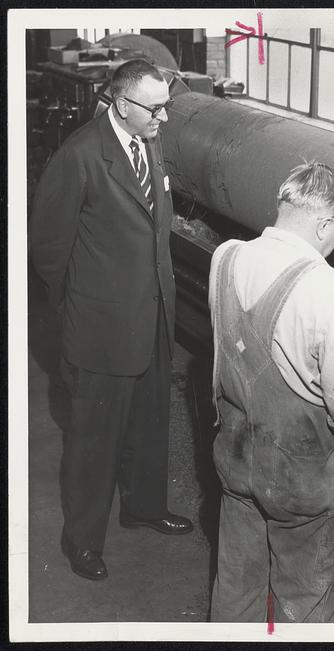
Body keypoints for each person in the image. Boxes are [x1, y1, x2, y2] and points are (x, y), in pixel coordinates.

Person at [208, 161, 334, 623]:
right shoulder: (324, 288)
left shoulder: (227, 257)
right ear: (324, 222)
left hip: (236, 460)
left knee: (235, 592)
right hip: (301, 481)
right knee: (304, 607)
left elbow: (282, 293)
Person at [30, 59, 192, 582]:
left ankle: (143, 507)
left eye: (165, 106)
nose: (163, 118)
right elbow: (49, 251)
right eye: (155, 107)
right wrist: (80, 314)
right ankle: (81, 541)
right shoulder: (79, 155)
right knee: (93, 441)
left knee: (149, 425)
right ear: (122, 105)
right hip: (101, 330)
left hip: (153, 316)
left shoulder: (150, 140)